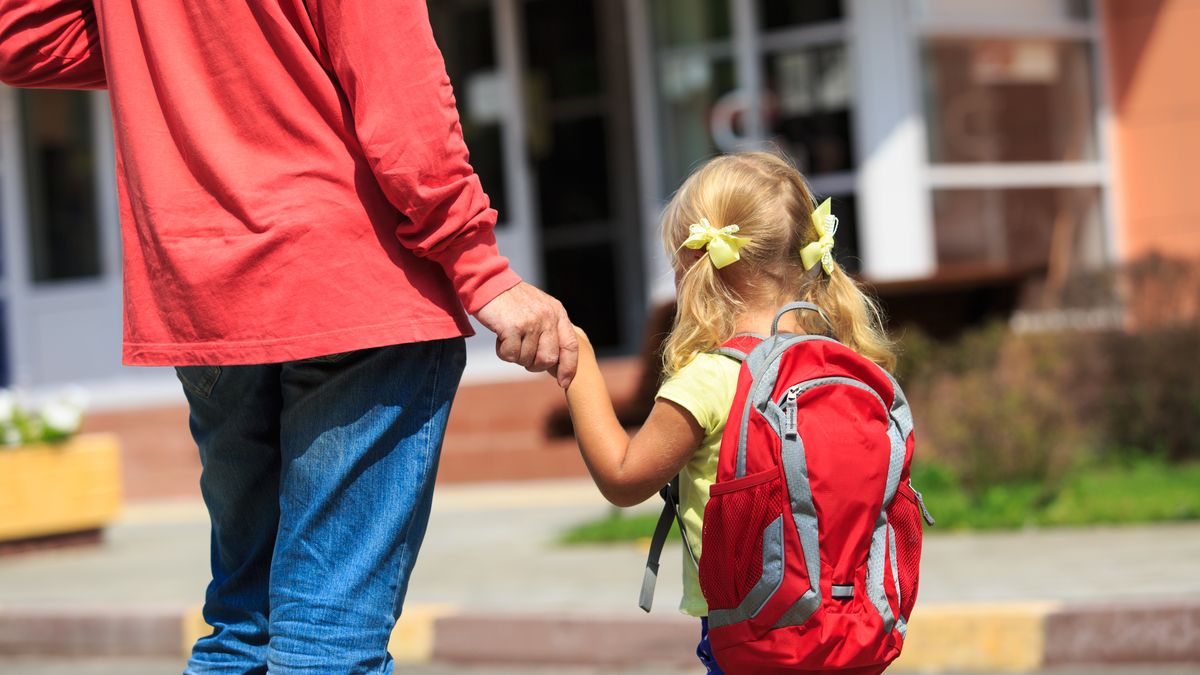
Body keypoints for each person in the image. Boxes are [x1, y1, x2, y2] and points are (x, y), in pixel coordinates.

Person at [0, 1, 577, 673]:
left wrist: (166, 50)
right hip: (350, 286)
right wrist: (480, 267)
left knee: (245, 624)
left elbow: (18, 34)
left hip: (207, 296)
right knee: (325, 638)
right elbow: (402, 95)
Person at [554, 152, 895, 673]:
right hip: (851, 626)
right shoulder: (844, 363)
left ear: (696, 267)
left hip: (752, 637)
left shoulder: (714, 377)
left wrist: (578, 364)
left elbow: (624, 479)